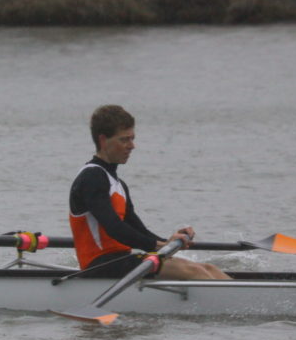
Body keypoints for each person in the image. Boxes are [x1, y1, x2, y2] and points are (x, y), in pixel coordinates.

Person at [69, 105, 230, 280]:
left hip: (121, 261)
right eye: (124, 140)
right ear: (103, 140)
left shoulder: (117, 183)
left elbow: (137, 228)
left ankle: (246, 302)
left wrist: (167, 243)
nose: (132, 146)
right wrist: (158, 245)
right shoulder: (92, 177)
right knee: (193, 272)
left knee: (209, 268)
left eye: (132, 139)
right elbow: (114, 227)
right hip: (100, 266)